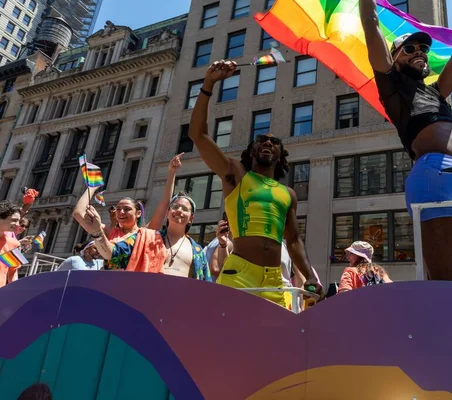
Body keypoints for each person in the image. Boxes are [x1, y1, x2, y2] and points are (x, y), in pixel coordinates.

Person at [359, 0, 452, 281]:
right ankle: (438, 324)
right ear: (394, 58)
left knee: (451, 276)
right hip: (434, 173)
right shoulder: (393, 87)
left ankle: (437, 323)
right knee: (447, 280)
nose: (420, 52)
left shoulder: (436, 91)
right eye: (410, 48)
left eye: (424, 49)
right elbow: (370, 24)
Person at [188, 59, 322, 307]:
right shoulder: (236, 174)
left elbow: (293, 241)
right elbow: (198, 135)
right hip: (238, 275)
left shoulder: (288, 194)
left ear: (281, 155)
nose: (268, 143)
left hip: (275, 280)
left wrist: (311, 277)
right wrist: (208, 84)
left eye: (275, 142)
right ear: (252, 151)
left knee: (273, 344)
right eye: (262, 139)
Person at [145, 154, 211, 281]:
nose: (179, 211)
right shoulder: (152, 238)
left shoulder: (197, 251)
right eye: (175, 207)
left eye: (185, 209)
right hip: (150, 296)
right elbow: (165, 202)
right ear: (167, 212)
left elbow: (205, 285)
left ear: (191, 218)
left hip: (182, 299)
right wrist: (171, 172)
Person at [73, 192, 166, 273]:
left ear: (138, 213)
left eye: (127, 209)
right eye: (118, 209)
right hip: (106, 284)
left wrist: (171, 173)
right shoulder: (110, 231)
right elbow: (78, 213)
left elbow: (164, 206)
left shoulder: (146, 234)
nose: (121, 212)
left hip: (133, 286)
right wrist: (93, 187)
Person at [0, 200, 23, 287]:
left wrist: (14, 294)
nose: (18, 225)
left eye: (19, 221)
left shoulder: (15, 244)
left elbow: (13, 272)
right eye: (14, 220)